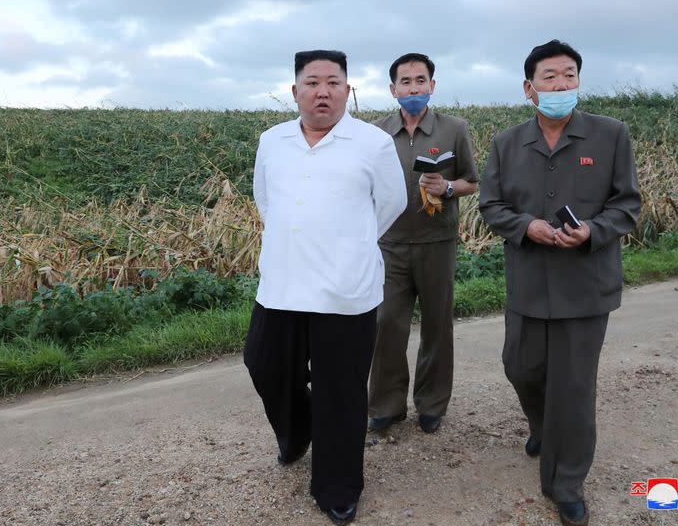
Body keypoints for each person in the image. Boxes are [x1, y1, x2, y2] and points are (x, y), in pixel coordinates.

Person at [478, 40, 641, 526]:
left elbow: (627, 204)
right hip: (528, 279)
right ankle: (544, 428)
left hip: (585, 284)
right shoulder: (507, 143)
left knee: (572, 387)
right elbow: (491, 205)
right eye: (549, 77)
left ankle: (566, 481)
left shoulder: (611, 135)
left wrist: (593, 230)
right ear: (530, 88)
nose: (561, 85)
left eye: (569, 75)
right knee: (521, 367)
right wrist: (525, 226)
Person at [244, 49, 407, 525]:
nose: (322, 91)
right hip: (282, 281)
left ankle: (337, 485)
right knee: (265, 363)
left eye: (333, 82)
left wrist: (346, 241)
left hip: (345, 286)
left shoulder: (371, 143)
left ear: (348, 91)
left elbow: (391, 204)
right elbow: (265, 200)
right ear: (296, 92)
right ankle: (296, 434)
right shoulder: (272, 141)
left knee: (341, 387)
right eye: (312, 82)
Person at [369, 53, 478, 434]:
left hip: (437, 241)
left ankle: (431, 404)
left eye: (420, 80)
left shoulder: (454, 129)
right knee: (386, 324)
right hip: (389, 243)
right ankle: (385, 404)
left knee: (437, 323)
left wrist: (447, 187)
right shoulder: (376, 133)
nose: (413, 88)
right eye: (405, 81)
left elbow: (471, 181)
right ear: (393, 89)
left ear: (432, 85)